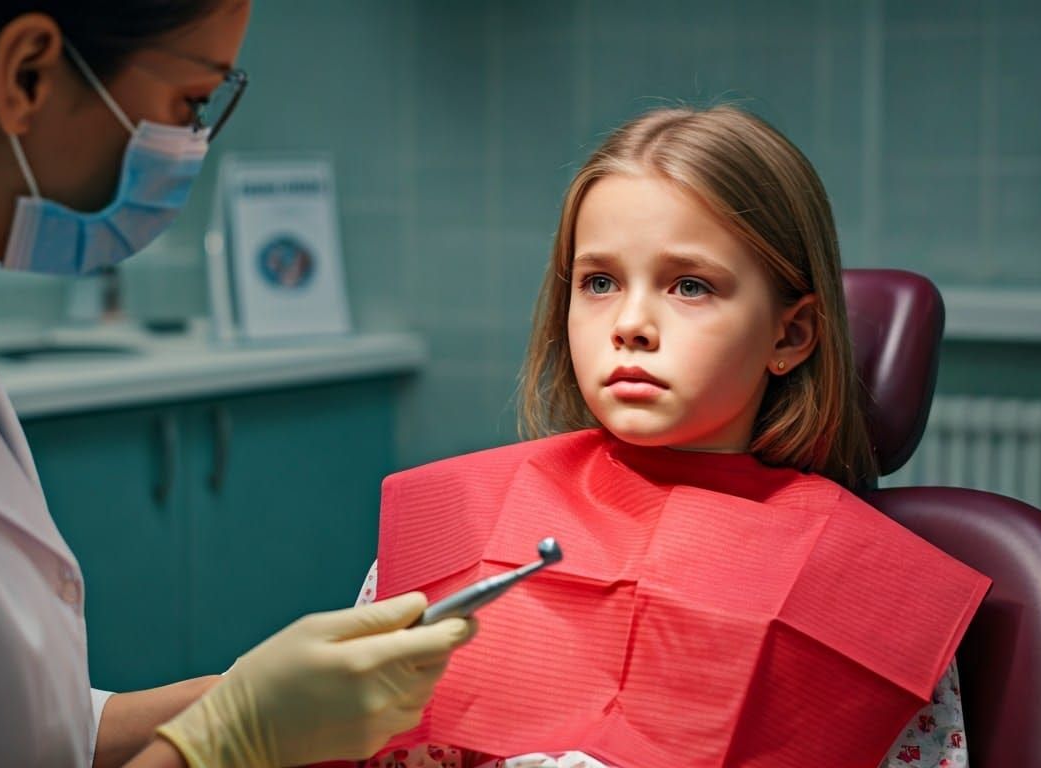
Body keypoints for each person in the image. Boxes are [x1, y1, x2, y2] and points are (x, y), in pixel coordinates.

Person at [0, 1, 473, 766]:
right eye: (189, 104)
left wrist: (241, 696)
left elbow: (12, 728)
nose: (191, 146)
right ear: (26, 74)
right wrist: (229, 741)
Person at [353, 106, 990, 768]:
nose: (630, 323)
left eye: (690, 286)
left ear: (791, 333)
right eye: (599, 281)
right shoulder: (459, 528)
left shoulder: (872, 599)